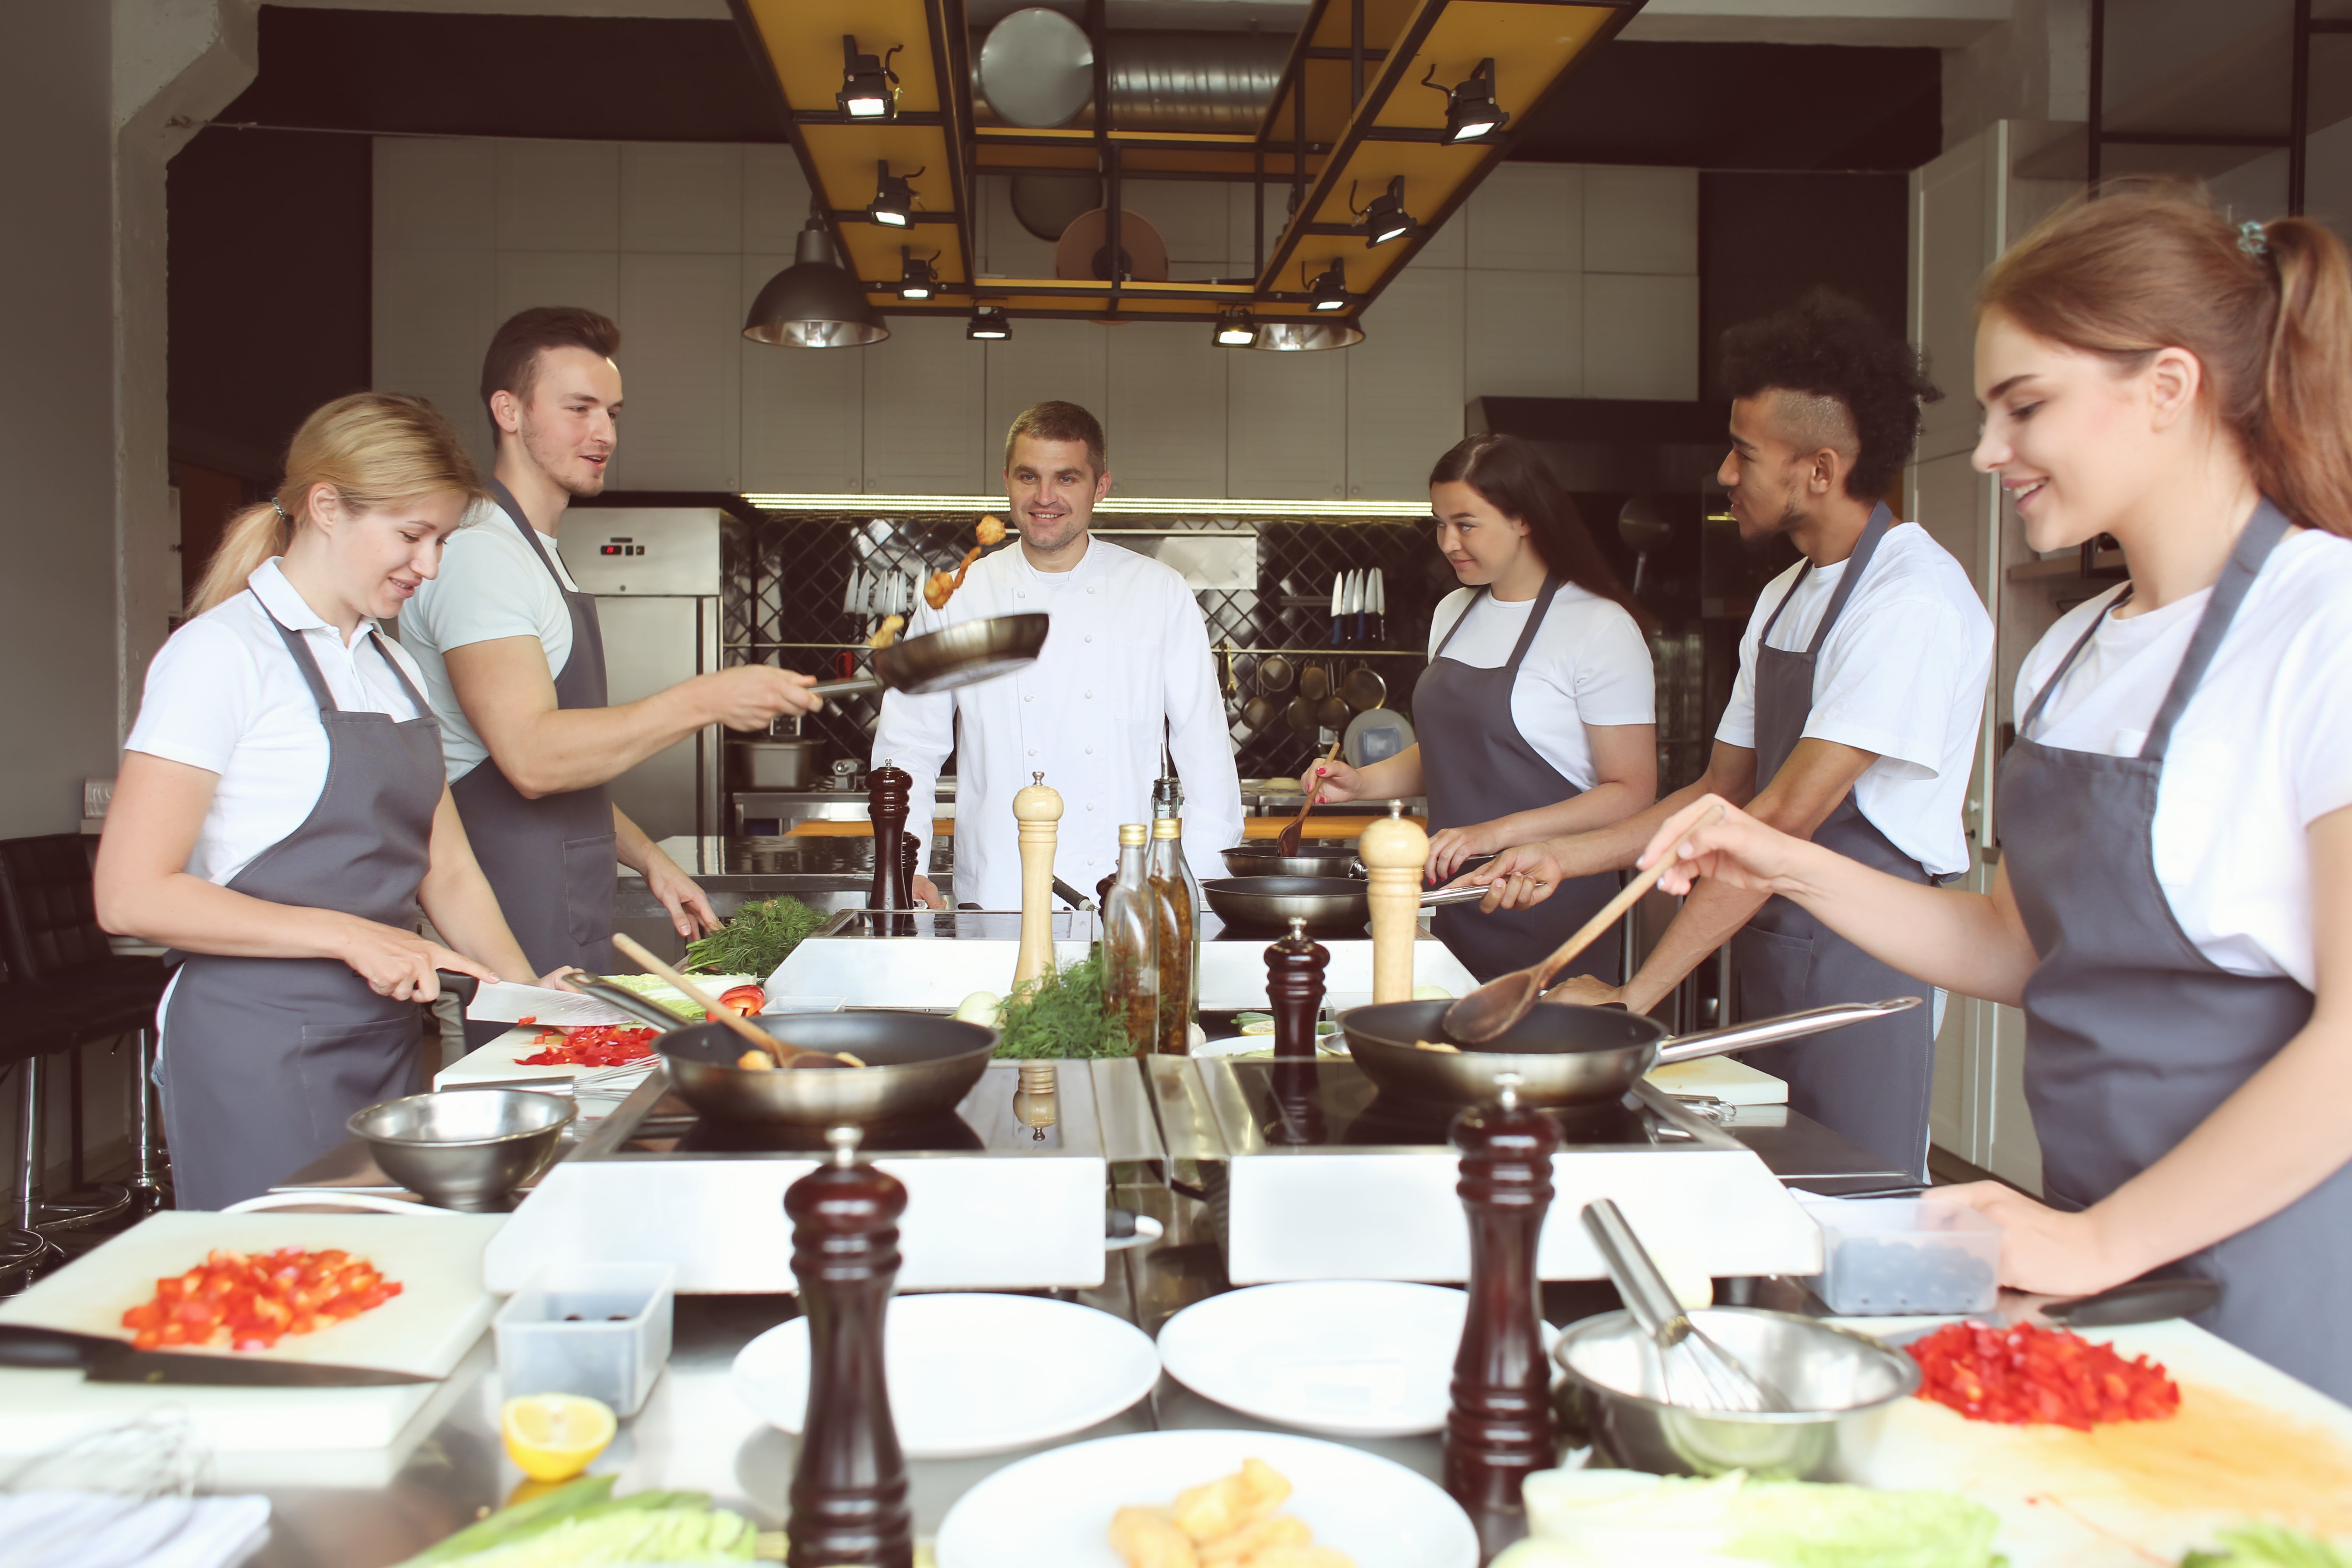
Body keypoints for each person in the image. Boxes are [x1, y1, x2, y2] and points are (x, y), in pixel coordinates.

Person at [1622, 182, 2352, 1400]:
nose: (1989, 450)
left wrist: (2097, 1238)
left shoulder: (2319, 625)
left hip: (2269, 1257)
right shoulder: (2071, 651)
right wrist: (1780, 857)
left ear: (2166, 388)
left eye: (2024, 406)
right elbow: (2014, 941)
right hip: (2086, 1247)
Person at [1463, 291, 1992, 1182]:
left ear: (1817, 469)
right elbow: (1720, 792)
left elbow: (1778, 820)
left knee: (1848, 1208)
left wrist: (1637, 992)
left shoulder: (1908, 602)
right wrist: (1570, 856)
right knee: (1765, 1200)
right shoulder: (1786, 597)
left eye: (1743, 452)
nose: (1722, 472)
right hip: (1768, 944)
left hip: (1858, 966)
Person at [94, 394, 565, 1210]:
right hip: (258, 1042)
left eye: (442, 541)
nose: (429, 566)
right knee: (283, 1297)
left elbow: (444, 868)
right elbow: (129, 895)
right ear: (325, 507)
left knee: (372, 1286)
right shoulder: (219, 656)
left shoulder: (392, 666)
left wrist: (526, 1000)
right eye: (412, 536)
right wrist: (355, 937)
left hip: (380, 1036)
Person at [399, 308, 820, 976]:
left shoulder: (536, 553)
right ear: (508, 410)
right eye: (579, 408)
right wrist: (706, 699)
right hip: (502, 925)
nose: (603, 433)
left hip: (557, 910)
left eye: (613, 412)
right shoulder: (482, 554)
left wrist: (651, 857)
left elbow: (570, 763)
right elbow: (534, 759)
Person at [1306, 435, 1657, 982]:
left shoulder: (1598, 627)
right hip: (1452, 902)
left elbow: (1631, 793)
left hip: (1545, 903)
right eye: (1438, 523)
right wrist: (1362, 783)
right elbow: (1457, 748)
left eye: (1465, 524)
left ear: (1524, 519)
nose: (1447, 542)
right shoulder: (1453, 611)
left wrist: (1494, 833)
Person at [874, 401, 1244, 909]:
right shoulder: (960, 595)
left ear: (1101, 486)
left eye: (1066, 478)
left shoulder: (1157, 591)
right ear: (1007, 480)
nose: (1044, 497)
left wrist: (1200, 888)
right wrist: (903, 863)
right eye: (1029, 476)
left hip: (1125, 891)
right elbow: (908, 743)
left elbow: (1204, 751)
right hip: (998, 889)